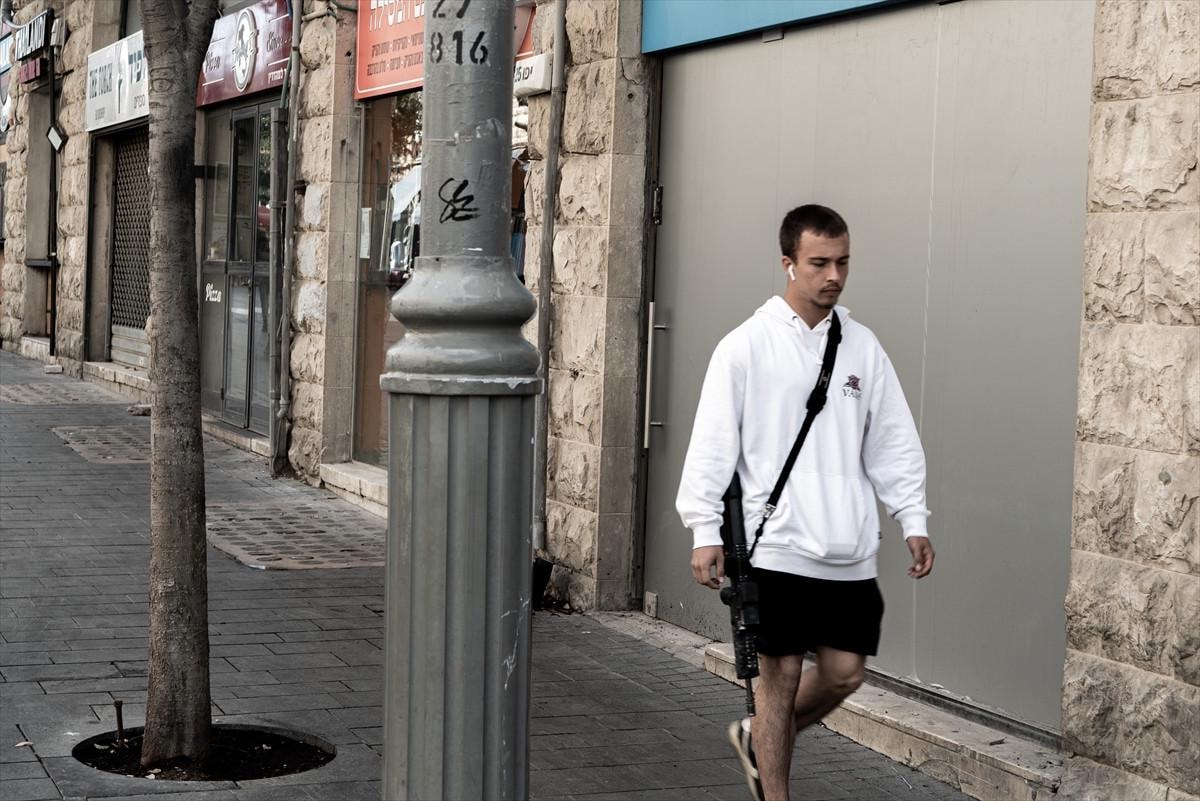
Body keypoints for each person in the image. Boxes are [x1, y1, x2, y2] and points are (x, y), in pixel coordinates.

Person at [675, 205, 935, 801]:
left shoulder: (862, 346)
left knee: (844, 674)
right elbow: (713, 443)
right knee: (781, 679)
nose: (833, 275)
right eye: (819, 263)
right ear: (788, 263)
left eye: (843, 262)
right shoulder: (746, 346)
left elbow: (892, 439)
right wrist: (704, 529)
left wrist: (912, 516)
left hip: (848, 547)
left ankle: (759, 737)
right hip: (778, 544)